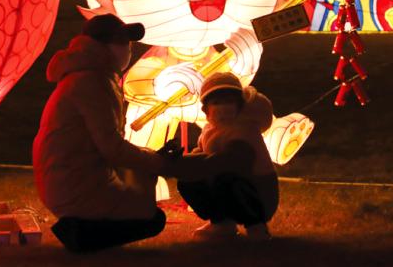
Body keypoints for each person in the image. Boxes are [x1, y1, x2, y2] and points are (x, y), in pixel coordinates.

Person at [33, 14, 169, 252]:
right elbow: (112, 148)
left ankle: (82, 226)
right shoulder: (92, 82)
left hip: (70, 178)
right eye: (121, 42)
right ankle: (80, 233)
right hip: (75, 183)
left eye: (128, 43)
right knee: (153, 218)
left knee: (140, 193)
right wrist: (156, 161)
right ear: (100, 46)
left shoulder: (87, 76)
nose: (127, 49)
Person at [177, 72, 279, 241]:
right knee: (188, 181)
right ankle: (221, 223)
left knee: (226, 179)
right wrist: (182, 163)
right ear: (206, 108)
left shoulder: (244, 129)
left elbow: (232, 161)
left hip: (257, 192)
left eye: (229, 101)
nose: (223, 107)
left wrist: (195, 164)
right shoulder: (209, 129)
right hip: (224, 187)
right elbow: (201, 152)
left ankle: (256, 225)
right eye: (217, 102)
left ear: (240, 105)